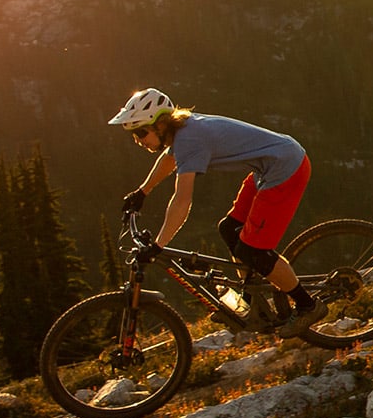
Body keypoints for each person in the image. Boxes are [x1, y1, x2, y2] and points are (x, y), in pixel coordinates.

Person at [109, 88, 326, 338]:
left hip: (286, 168)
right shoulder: (181, 130)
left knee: (252, 250)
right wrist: (142, 192)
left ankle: (307, 305)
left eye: (140, 133)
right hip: (269, 166)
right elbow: (170, 159)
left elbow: (182, 200)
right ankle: (250, 300)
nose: (138, 140)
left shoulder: (189, 139)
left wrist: (159, 245)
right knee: (228, 228)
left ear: (160, 124)